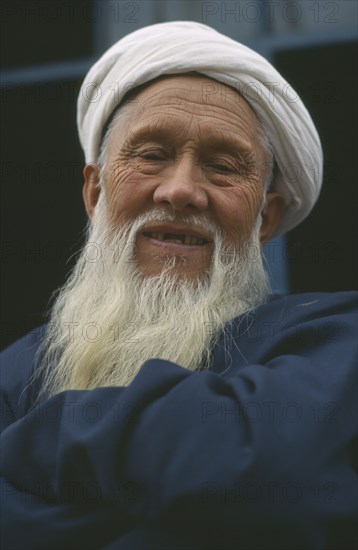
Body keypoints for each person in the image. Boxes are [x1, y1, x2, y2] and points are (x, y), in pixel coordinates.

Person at [1, 21, 356, 550]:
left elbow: (263, 470)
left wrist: (36, 439)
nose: (182, 190)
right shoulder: (18, 370)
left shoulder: (334, 336)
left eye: (222, 166)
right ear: (95, 193)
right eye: (150, 155)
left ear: (265, 219)